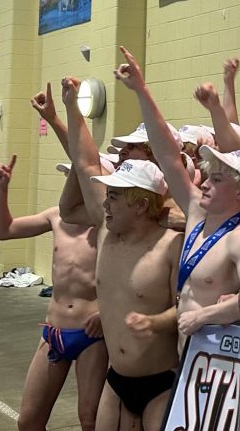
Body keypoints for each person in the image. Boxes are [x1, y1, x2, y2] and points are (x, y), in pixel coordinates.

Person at [114, 47, 240, 346]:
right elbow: (167, 155)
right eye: (208, 177)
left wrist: (206, 315)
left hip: (214, 359)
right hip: (186, 354)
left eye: (217, 180)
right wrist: (141, 91)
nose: (206, 184)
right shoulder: (197, 211)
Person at [62, 77, 181, 431]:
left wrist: (156, 322)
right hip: (116, 381)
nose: (106, 204)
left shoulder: (171, 245)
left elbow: (188, 310)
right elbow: (85, 163)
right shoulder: (106, 230)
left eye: (114, 196)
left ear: (141, 204)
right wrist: (71, 107)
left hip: (161, 381)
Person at [0, 155, 107, 431]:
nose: (70, 186)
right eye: (68, 178)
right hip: (53, 331)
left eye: (76, 179)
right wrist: (1, 190)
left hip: (92, 334)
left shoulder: (109, 224)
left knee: (90, 420)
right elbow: (3, 231)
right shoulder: (56, 217)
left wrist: (108, 313)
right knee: (28, 421)